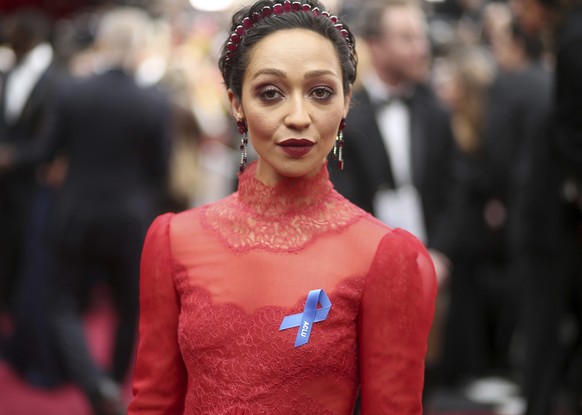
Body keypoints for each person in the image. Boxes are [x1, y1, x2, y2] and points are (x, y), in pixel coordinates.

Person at [128, 1, 437, 414]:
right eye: (270, 93)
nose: (297, 116)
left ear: (346, 101)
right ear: (236, 103)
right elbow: (153, 402)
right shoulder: (174, 240)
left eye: (320, 92)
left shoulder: (383, 254)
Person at [0, 7, 172, 415]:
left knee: (63, 303)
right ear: (140, 46)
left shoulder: (73, 92)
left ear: (103, 43)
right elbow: (160, 170)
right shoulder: (155, 101)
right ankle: (112, 381)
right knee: (128, 307)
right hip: (131, 219)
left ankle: (93, 384)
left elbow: (45, 152)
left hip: (75, 214)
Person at [328, 0, 456, 286]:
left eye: (421, 37)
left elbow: (453, 188)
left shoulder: (437, 114)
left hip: (432, 268)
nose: (421, 48)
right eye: (407, 39)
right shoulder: (346, 118)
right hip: (366, 270)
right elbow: (342, 195)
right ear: (376, 46)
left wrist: (439, 252)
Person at [512, 0, 582, 413]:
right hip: (555, 214)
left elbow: (572, 138)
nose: (517, 13)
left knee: (542, 328)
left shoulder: (574, 41)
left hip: (551, 221)